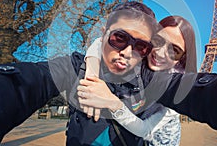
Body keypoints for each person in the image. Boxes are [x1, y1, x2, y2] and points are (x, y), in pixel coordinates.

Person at [0, 1, 217, 145]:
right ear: (104, 35)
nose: (128, 51)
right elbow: (32, 80)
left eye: (141, 45)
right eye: (119, 38)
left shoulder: (153, 79)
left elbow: (197, 89)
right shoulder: (78, 66)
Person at [81, 15, 195, 145]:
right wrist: (92, 75)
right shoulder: (142, 56)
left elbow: (145, 130)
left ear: (182, 58)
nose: (160, 53)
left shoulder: (177, 88)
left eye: (174, 51)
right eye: (158, 41)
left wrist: (113, 103)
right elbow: (101, 42)